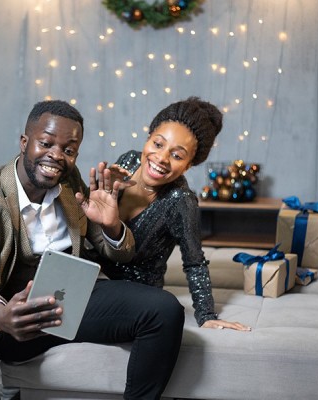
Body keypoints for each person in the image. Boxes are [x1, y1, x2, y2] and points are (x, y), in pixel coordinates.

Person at [0, 100, 185, 399]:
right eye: (46, 143)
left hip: (71, 299)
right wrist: (1, 315)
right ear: (24, 142)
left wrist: (111, 226)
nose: (56, 156)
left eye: (69, 150)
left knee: (165, 310)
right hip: (15, 310)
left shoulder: (70, 182)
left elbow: (118, 252)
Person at [94, 97, 251, 331]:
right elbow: (100, 225)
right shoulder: (128, 161)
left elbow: (194, 262)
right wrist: (106, 190)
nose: (161, 158)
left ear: (188, 165)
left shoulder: (180, 201)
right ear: (148, 138)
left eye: (177, 156)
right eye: (158, 144)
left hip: (135, 293)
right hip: (94, 276)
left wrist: (206, 314)